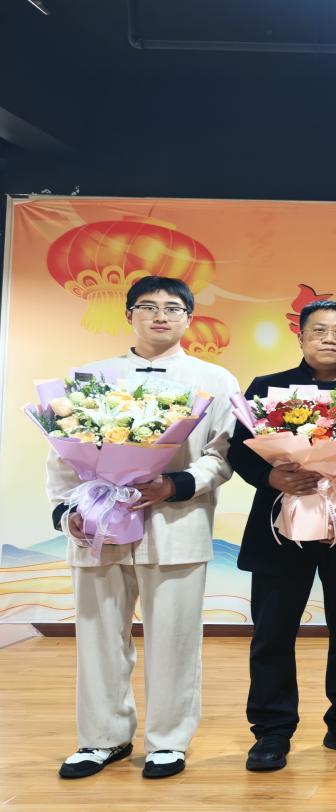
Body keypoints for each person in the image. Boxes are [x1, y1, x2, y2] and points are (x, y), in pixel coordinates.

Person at [48, 276, 239, 780]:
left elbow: (223, 454)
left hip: (176, 523)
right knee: (97, 637)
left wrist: (176, 483)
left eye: (173, 308)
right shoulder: (91, 377)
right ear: (129, 314)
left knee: (174, 640)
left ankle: (168, 742)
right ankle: (101, 738)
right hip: (97, 526)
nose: (160, 316)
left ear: (188, 318)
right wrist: (66, 511)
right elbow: (62, 452)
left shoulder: (215, 379)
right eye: (148, 306)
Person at [228, 299, 336, 772]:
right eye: (319, 330)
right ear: (300, 337)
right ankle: (272, 730)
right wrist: (271, 477)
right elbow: (238, 450)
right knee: (272, 632)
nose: (329, 339)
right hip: (281, 528)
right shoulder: (268, 389)